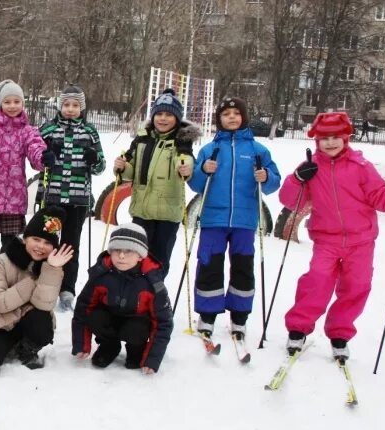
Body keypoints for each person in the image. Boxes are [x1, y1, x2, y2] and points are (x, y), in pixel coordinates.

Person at [280, 112, 385, 360]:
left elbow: (381, 196)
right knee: (317, 281)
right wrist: (297, 179)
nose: (330, 143)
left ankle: (340, 333)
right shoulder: (311, 168)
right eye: (325, 138)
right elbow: (290, 200)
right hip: (326, 239)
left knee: (356, 286)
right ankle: (298, 328)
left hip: (361, 241)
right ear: (316, 141)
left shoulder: (361, 167)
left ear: (346, 138)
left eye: (336, 137)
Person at [188, 97, 281, 338]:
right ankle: (207, 316)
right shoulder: (209, 150)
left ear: (243, 117)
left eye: (236, 113)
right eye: (226, 114)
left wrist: (266, 176)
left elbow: (274, 182)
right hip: (213, 220)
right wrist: (202, 171)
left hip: (244, 220)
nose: (231, 117)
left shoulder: (257, 150)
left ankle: (239, 317)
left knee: (243, 267)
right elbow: (196, 185)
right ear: (219, 119)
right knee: (209, 265)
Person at [0, 79, 49, 302]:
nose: (13, 106)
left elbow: (35, 148)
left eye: (17, 101)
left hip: (13, 198)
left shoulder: (27, 130)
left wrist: (42, 157)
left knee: (10, 242)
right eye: (7, 101)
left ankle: (5, 277)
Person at [112, 88, 199, 279]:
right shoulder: (142, 140)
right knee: (137, 255)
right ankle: (135, 293)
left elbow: (185, 159)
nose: (163, 118)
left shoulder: (181, 141)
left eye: (169, 114)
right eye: (159, 113)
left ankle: (154, 293)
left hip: (167, 214)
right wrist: (122, 166)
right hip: (142, 211)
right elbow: (130, 170)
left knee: (159, 258)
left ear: (177, 118)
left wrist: (185, 167)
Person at [0, 206, 74, 369]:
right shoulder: (3, 261)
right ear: (25, 238)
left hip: (31, 322)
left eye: (48, 242)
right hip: (2, 320)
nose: (41, 246)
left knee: (42, 320)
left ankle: (27, 347)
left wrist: (51, 271)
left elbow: (44, 305)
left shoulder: (52, 268)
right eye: (36, 239)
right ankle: (7, 345)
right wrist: (33, 281)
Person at [71, 224, 173, 374]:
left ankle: (136, 351)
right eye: (117, 250)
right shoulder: (101, 275)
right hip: (110, 319)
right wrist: (81, 344)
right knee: (96, 317)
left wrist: (152, 358)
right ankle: (109, 346)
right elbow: (83, 308)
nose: (121, 256)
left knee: (137, 328)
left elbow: (164, 322)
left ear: (140, 255)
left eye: (129, 251)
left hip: (136, 325)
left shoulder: (152, 282)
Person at [38, 85, 106, 309]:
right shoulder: (48, 129)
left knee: (70, 245)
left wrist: (93, 158)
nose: (70, 109)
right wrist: (45, 156)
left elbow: (100, 167)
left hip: (77, 198)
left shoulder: (89, 131)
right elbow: (35, 158)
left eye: (75, 105)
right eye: (66, 104)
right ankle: (44, 283)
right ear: (60, 106)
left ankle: (67, 289)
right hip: (53, 196)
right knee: (47, 242)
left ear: (81, 108)